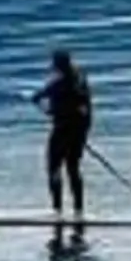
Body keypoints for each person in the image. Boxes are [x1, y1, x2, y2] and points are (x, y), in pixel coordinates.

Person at [32, 49, 93, 220]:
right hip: (79, 132)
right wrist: (83, 134)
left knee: (53, 169)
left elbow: (39, 98)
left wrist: (39, 103)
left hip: (62, 131)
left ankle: (57, 211)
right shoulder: (81, 79)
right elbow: (86, 109)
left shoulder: (58, 84)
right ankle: (79, 210)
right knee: (73, 169)